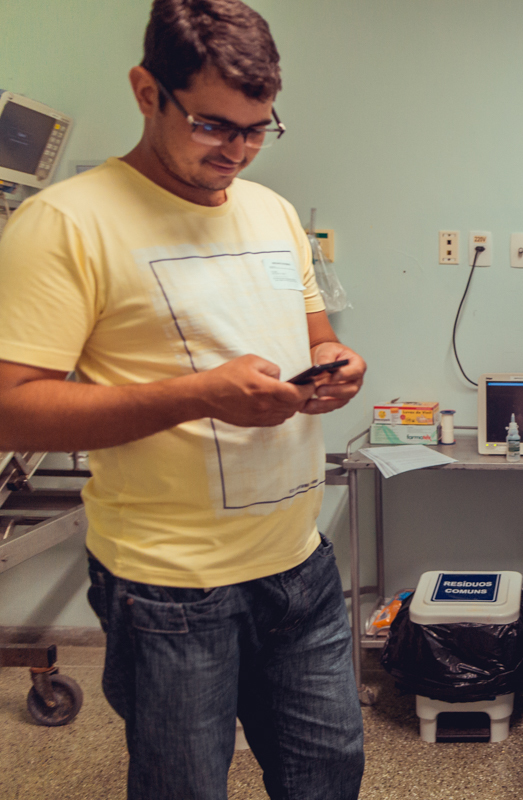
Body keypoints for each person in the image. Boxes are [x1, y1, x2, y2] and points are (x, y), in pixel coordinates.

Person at [0, 1, 366, 797]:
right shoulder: (64, 223)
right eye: (212, 125)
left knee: (329, 776)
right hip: (170, 587)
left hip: (299, 566)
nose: (236, 150)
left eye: (257, 128)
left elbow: (315, 339)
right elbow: (11, 407)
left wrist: (335, 366)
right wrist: (196, 396)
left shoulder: (271, 213)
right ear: (145, 90)